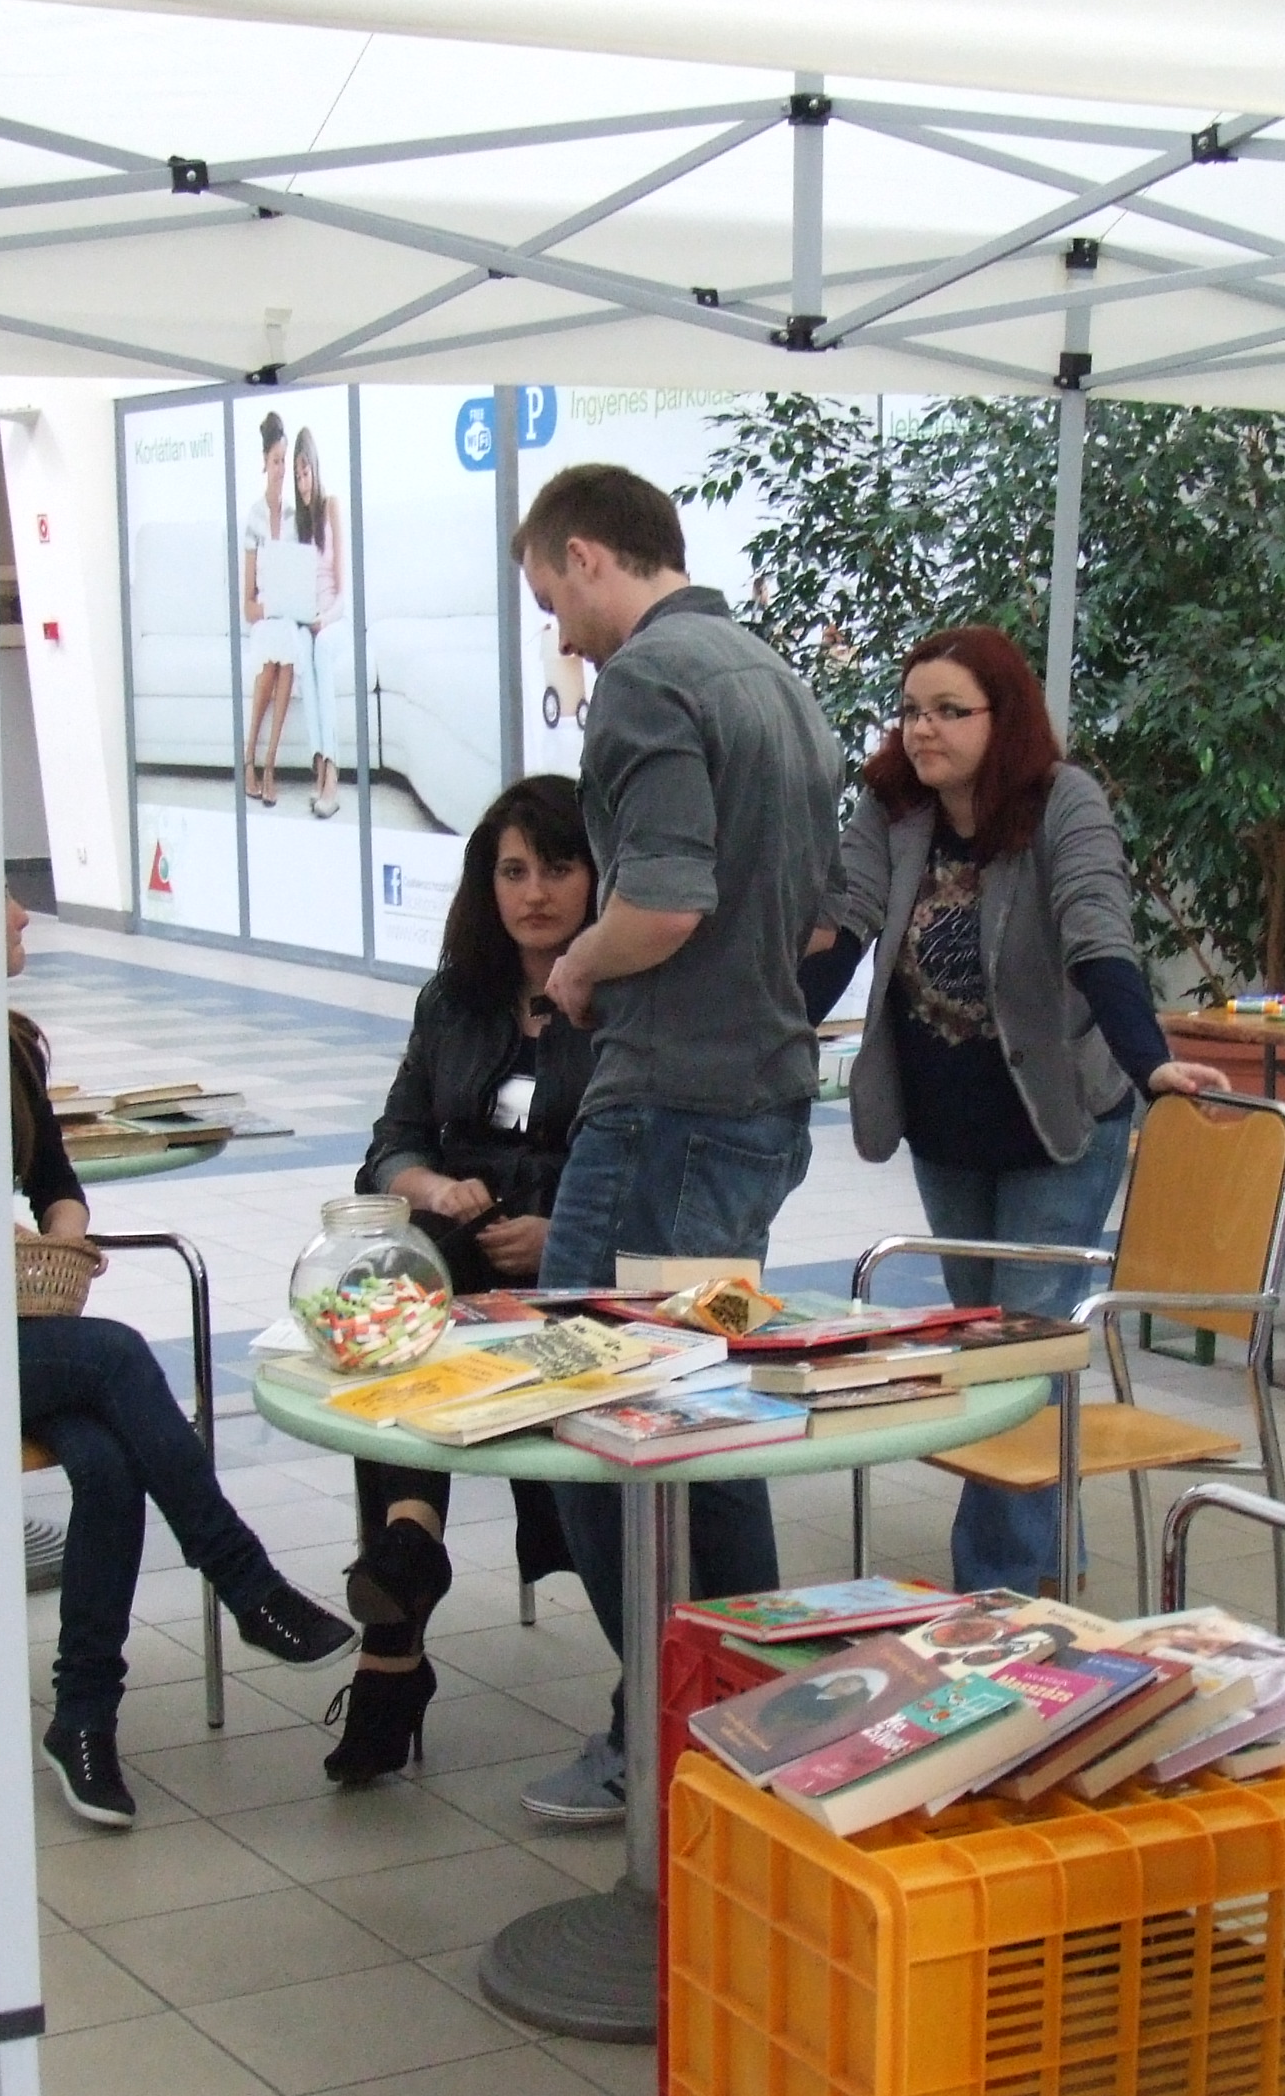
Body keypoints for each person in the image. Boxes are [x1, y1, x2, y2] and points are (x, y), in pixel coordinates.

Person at [0, 835, 350, 1826]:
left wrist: (64, 1237)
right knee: (117, 1355)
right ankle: (246, 1582)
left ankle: (82, 1719)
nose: (21, 914)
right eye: (0, 897)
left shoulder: (4, 1050)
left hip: (5, 1334)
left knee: (109, 1461)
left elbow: (56, 1184)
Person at [510, 462, 840, 1823]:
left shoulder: (647, 680)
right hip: (755, 1095)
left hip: (669, 1105)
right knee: (706, 1416)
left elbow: (661, 904)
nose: (560, 634)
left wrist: (579, 969)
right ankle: (749, 1715)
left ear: (589, 556)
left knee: (585, 1406)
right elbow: (821, 915)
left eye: (551, 598)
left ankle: (677, 1721)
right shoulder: (772, 675)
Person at [801, 625, 1225, 1593]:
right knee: (982, 1344)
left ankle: (996, 1593)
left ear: (1006, 718)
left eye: (949, 711)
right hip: (946, 1126)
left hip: (1056, 1122)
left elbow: (1097, 936)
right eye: (911, 711)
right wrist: (778, 1028)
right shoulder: (891, 806)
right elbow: (847, 924)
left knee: (1016, 1355)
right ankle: (1045, 1571)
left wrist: (1151, 1064)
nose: (923, 730)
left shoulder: (1062, 802)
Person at [323, 775, 595, 1785]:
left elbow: (647, 1161)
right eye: (512, 872)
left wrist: (562, 1233)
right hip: (458, 1255)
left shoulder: (631, 1002)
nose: (534, 893)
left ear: (598, 877)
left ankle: (394, 1641)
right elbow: (388, 1150)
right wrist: (435, 1187)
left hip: (582, 1264)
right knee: (401, 1304)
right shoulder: (451, 1001)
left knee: (420, 1320)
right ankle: (402, 1577)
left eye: (557, 869)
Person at [240, 412, 319, 812]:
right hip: (264, 617)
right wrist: (268, 608)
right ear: (264, 462)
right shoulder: (254, 517)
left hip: (286, 618)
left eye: (284, 462)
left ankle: (268, 765)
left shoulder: (293, 518)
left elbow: (301, 576)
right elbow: (248, 604)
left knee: (287, 649)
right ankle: (249, 759)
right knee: (274, 656)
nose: (281, 469)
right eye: (276, 461)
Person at [295, 426, 349, 821]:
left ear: (316, 468)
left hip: (333, 618)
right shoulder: (297, 522)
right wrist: (304, 618)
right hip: (307, 618)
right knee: (301, 650)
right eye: (297, 476)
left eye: (306, 473)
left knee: (322, 649)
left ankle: (331, 771)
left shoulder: (332, 507)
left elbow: (342, 591)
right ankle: (317, 761)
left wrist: (324, 619)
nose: (302, 483)